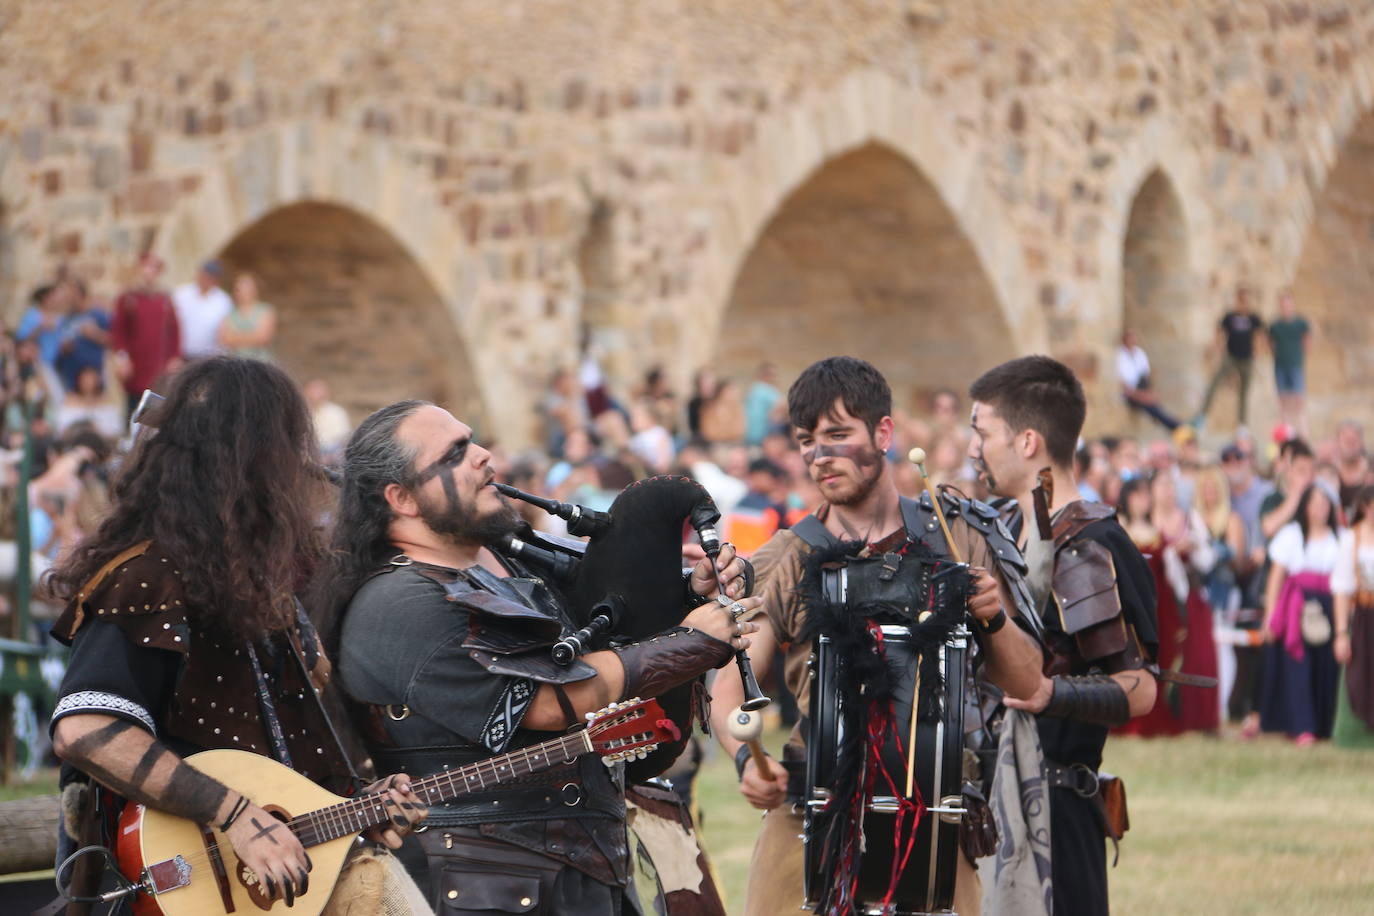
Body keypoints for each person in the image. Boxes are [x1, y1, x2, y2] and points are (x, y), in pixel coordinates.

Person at [324, 399, 759, 913]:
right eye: (456, 452)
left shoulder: (500, 568)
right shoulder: (398, 603)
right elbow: (552, 699)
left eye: (474, 440)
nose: (484, 455)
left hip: (580, 869)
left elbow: (598, 648)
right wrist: (692, 643)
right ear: (402, 498)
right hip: (479, 887)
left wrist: (684, 596)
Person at [46, 357, 426, 913]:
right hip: (183, 877)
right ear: (248, 462)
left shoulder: (264, 588)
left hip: (286, 880)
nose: (301, 467)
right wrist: (235, 814)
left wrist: (358, 806)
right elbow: (86, 728)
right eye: (287, 446)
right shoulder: (146, 574)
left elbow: (281, 760)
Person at [709, 356, 1047, 916]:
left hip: (935, 816)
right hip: (811, 812)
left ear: (884, 434)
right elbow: (730, 682)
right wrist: (746, 761)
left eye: (838, 435)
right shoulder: (788, 556)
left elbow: (1029, 681)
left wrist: (993, 618)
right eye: (807, 441)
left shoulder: (959, 537)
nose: (821, 456)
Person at [967, 355, 1158, 916]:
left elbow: (1139, 688)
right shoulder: (997, 527)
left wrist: (1055, 694)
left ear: (1028, 442)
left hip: (1058, 804)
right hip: (984, 802)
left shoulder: (1092, 540)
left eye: (984, 433)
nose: (976, 447)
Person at [1259, 482, 1343, 744]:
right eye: (1314, 504)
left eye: (1324, 504)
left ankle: (1323, 724)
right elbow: (1276, 577)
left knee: (1327, 665)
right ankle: (1301, 725)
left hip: (1330, 604)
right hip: (1298, 605)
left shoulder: (1340, 537)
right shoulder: (1292, 534)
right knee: (1298, 666)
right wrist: (1271, 615)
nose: (1319, 509)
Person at [111, 252, 181, 416]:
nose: (149, 272)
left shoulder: (165, 300)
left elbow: (175, 331)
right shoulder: (127, 298)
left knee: (157, 409)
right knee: (134, 409)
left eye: (154, 268)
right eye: (146, 266)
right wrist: (122, 358)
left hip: (158, 365)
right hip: (136, 366)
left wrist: (174, 357)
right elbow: (119, 332)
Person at [1332, 484, 1374, 749]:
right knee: (1360, 673)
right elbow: (1341, 588)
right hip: (1364, 616)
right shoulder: (1352, 538)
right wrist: (1340, 633)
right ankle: (1356, 736)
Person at [1196, 285, 1265, 429]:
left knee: (1244, 392)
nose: (1243, 302)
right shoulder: (1230, 317)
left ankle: (1242, 425)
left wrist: (1257, 352)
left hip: (1247, 359)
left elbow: (1260, 335)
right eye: (1241, 299)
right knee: (1214, 384)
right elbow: (1219, 331)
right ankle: (1203, 417)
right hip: (1231, 356)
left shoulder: (1253, 318)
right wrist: (1218, 348)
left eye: (1246, 299)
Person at [55, 278, 112, 396]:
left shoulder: (98, 315)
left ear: (79, 294)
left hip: (94, 380)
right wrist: (64, 348)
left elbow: (113, 340)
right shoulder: (66, 319)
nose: (66, 298)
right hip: (70, 379)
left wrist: (95, 334)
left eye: (69, 294)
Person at [1115, 329, 1180, 430]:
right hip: (1130, 395)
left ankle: (1175, 425)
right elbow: (1123, 385)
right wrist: (1142, 396)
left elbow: (1146, 376)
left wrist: (1149, 393)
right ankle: (1176, 426)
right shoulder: (1119, 355)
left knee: (1153, 406)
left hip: (1140, 390)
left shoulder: (1139, 353)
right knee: (1153, 408)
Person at [1267, 289, 1311, 436]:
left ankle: (1303, 432)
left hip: (1295, 365)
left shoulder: (1301, 323)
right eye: (1283, 303)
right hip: (1280, 366)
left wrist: (1298, 357)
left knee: (1299, 399)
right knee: (1283, 401)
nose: (1285, 306)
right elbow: (1271, 345)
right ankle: (1285, 432)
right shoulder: (1275, 326)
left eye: (1288, 302)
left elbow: (1307, 342)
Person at [172, 259, 233, 359]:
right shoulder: (181, 294)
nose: (208, 278)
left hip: (209, 357)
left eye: (213, 276)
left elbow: (226, 329)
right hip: (181, 354)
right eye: (206, 274)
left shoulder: (224, 300)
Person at [218, 272, 277, 361]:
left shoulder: (265, 310)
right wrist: (253, 337)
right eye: (240, 289)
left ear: (255, 289)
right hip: (236, 362)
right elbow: (224, 339)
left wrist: (235, 337)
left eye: (247, 288)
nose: (244, 292)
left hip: (260, 361)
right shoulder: (230, 313)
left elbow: (263, 337)